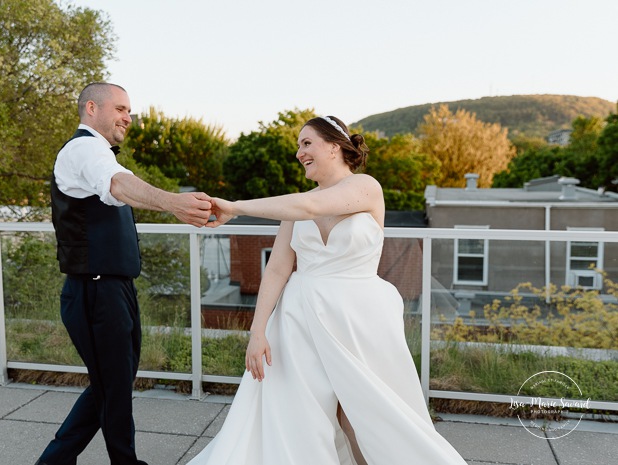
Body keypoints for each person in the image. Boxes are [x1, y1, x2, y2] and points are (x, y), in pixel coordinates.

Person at [193, 116, 468, 464]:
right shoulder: (295, 204)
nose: (299, 153)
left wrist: (234, 207)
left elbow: (311, 207)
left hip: (357, 317)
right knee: (303, 414)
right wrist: (258, 330)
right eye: (298, 145)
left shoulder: (366, 187)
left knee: (365, 413)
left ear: (334, 146)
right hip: (299, 318)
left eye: (306, 143)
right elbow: (278, 268)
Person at [35, 82, 212, 465]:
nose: (128, 118)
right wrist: (172, 202)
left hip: (113, 290)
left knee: (112, 384)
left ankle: (54, 462)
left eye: (129, 111)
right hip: (94, 291)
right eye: (120, 109)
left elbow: (117, 183)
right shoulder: (84, 149)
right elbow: (117, 184)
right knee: (112, 386)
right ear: (92, 108)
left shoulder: (101, 154)